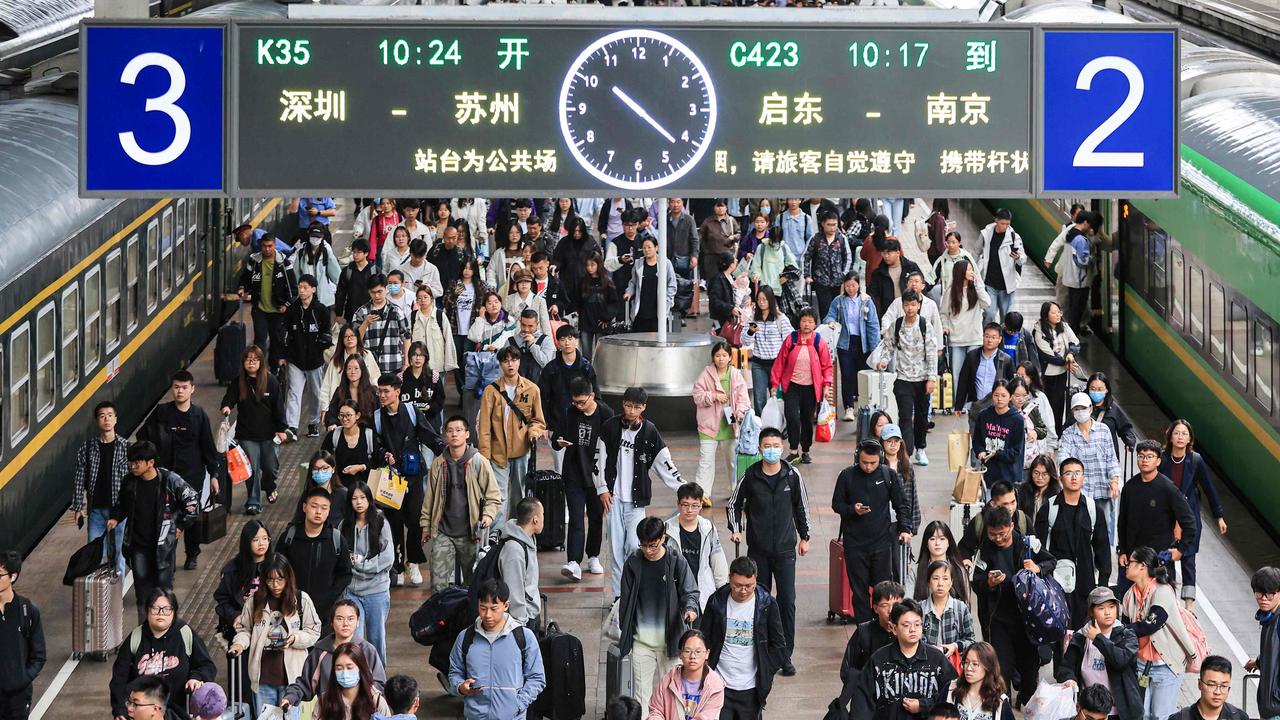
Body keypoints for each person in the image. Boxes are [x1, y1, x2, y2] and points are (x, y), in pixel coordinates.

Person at [726, 427, 811, 677]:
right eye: (767, 445)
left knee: (787, 601)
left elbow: (801, 506)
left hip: (785, 550)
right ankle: (761, 652)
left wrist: (805, 537)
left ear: (782, 448)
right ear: (760, 448)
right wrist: (736, 528)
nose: (772, 449)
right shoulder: (750, 476)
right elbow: (733, 504)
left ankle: (785, 655)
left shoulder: (791, 475)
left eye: (776, 445)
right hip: (758, 552)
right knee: (759, 601)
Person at [971, 506, 1056, 706]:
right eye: (993, 535)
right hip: (999, 620)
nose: (998, 539)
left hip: (1028, 621)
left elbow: (1051, 561)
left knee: (1030, 669)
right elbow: (977, 581)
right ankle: (1003, 708)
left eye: (1002, 534)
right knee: (1001, 671)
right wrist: (989, 583)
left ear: (1011, 526)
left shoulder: (1027, 544)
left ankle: (1027, 704)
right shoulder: (986, 548)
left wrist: (1037, 568)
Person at [109, 441, 198, 624]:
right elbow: (122, 505)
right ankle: (145, 631)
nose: (132, 466)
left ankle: (167, 629)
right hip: (138, 547)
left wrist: (180, 526)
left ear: (150, 463)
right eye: (131, 462)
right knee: (142, 594)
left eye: (137, 462)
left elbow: (193, 502)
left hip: (163, 547)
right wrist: (115, 517)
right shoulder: (129, 482)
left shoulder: (169, 481)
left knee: (164, 593)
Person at [619, 517, 700, 718]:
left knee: (673, 696)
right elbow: (626, 601)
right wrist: (625, 629)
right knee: (641, 696)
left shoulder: (676, 560)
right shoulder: (633, 563)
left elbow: (690, 592)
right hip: (641, 643)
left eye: (652, 545)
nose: (648, 550)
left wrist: (690, 609)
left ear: (663, 538)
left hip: (671, 643)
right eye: (643, 545)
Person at [138, 372, 220, 569]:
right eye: (176, 387)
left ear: (192, 389)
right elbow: (143, 436)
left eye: (184, 387)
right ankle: (169, 560)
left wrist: (214, 475)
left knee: (191, 517)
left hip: (193, 476)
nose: (180, 391)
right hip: (166, 477)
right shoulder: (162, 413)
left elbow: (208, 447)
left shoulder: (199, 416)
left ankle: (192, 553)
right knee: (167, 517)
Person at [229, 554, 323, 720]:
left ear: (288, 578)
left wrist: (295, 639)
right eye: (270, 580)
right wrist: (239, 644)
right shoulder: (254, 601)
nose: (275, 585)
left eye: (280, 579)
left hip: (293, 681)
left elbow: (314, 631)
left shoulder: (301, 600)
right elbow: (245, 630)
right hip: (263, 678)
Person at [373, 373, 444, 587]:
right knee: (393, 522)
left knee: (414, 520)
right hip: (390, 480)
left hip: (413, 476)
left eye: (386, 391)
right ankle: (396, 565)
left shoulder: (412, 412)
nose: (382, 395)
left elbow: (428, 436)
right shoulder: (377, 417)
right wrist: (384, 453)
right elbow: (374, 445)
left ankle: (413, 561)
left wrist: (445, 451)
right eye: (380, 391)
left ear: (397, 392)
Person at [833, 439, 912, 624]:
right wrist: (853, 509)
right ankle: (864, 630)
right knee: (859, 592)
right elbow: (836, 504)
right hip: (855, 544)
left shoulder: (888, 475)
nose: (868, 467)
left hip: (882, 542)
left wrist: (904, 528)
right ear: (856, 458)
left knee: (883, 591)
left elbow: (901, 504)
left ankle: (884, 626)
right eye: (864, 462)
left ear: (880, 459)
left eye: (873, 463)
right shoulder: (847, 476)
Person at [422, 416, 503, 593]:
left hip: (470, 532)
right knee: (438, 583)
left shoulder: (478, 461)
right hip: (443, 531)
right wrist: (426, 526)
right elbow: (429, 498)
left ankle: (470, 618)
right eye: (450, 431)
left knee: (473, 582)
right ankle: (440, 618)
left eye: (459, 430)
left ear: (467, 434)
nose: (454, 434)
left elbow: (494, 495)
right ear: (445, 436)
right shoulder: (438, 463)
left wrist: (488, 515)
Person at [701, 556, 787, 720]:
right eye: (738, 586)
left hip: (751, 690)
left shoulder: (767, 604)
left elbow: (779, 645)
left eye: (749, 586)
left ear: (756, 579)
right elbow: (704, 638)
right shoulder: (716, 602)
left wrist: (766, 671)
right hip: (719, 685)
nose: (743, 591)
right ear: (729, 579)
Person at [110, 589, 216, 720]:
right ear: (147, 611)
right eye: (155, 608)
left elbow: (207, 665)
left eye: (166, 609)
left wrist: (196, 677)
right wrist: (120, 710)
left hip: (180, 712)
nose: (161, 614)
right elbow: (119, 680)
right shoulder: (136, 638)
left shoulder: (184, 633)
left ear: (174, 611)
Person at [448, 579, 546, 720]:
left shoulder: (524, 637)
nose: (487, 615)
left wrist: (517, 704)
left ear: (506, 605)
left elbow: (537, 678)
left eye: (494, 608)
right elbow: (454, 672)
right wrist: (460, 687)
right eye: (483, 608)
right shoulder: (465, 638)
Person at [1033, 457, 1112, 628]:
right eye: (1068, 473)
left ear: (1084, 477)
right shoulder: (1049, 508)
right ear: (1061, 478)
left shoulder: (1092, 509)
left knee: (1083, 633)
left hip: (1085, 581)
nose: (1074, 478)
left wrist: (1103, 584)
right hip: (1055, 580)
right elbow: (1038, 546)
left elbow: (1102, 547)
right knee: (1057, 630)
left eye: (1078, 473)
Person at [1120, 546, 1197, 720]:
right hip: (1141, 665)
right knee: (1143, 715)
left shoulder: (1162, 591)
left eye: (1130, 562)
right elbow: (1126, 627)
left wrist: (1120, 630)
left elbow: (1151, 624)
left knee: (1161, 716)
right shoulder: (1129, 595)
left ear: (1142, 566)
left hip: (1166, 665)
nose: (1126, 565)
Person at [1117, 441, 1198, 596]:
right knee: (1128, 606)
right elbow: (1123, 522)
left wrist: (1180, 550)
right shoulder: (1129, 487)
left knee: (1160, 607)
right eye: (1141, 456)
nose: (1144, 460)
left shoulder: (1168, 488)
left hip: (1159, 561)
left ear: (1158, 461)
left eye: (1149, 456)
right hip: (1133, 561)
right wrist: (1123, 550)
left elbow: (1189, 522)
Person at [854, 599, 957, 720]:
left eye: (917, 624)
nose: (913, 629)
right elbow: (862, 701)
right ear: (893, 628)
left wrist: (924, 705)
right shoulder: (879, 660)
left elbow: (953, 697)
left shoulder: (937, 659)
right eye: (906, 625)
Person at [1160, 420, 1225, 610]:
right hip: (1167, 518)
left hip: (1189, 519)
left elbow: (1209, 488)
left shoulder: (1195, 460)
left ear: (1190, 438)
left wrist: (1218, 516)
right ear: (1170, 436)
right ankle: (1169, 602)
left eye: (1184, 434)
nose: (1180, 437)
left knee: (1188, 560)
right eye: (1177, 433)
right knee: (1166, 558)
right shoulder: (1162, 459)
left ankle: (1189, 606)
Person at [477, 346, 547, 524]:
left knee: (519, 496)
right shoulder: (490, 391)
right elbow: (484, 427)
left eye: (514, 360)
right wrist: (485, 457)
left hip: (522, 451)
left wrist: (533, 432)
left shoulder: (532, 389)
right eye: (506, 360)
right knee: (498, 497)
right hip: (497, 451)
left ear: (519, 362)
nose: (510, 364)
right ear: (500, 364)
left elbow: (538, 421)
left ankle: (516, 533)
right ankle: (498, 536)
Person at [281, 599, 387, 715]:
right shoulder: (320, 651)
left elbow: (379, 685)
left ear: (358, 622)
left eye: (350, 619)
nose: (345, 623)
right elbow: (305, 683)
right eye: (339, 619)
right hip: (329, 713)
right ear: (331, 622)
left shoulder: (367, 651)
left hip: (361, 713)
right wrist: (290, 697)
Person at [874, 291, 939, 465]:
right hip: (903, 378)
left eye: (913, 305)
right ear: (902, 306)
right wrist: (883, 361)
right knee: (904, 416)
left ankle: (921, 448)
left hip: (923, 378)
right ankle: (907, 452)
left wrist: (932, 378)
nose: (910, 308)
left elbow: (932, 353)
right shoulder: (896, 325)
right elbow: (888, 346)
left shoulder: (925, 326)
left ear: (918, 306)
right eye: (907, 305)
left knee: (921, 417)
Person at [220, 346, 287, 513]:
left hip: (269, 435)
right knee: (252, 469)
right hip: (247, 434)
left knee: (271, 468)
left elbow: (279, 406)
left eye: (255, 359)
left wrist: (281, 429)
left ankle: (270, 486)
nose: (251, 362)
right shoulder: (238, 382)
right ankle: (253, 501)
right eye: (248, 359)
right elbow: (229, 398)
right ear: (243, 362)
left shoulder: (270, 380)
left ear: (261, 362)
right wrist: (227, 407)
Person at [1057, 586, 1140, 720]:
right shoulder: (1081, 636)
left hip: (1119, 712)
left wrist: (1098, 638)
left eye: (1111, 607)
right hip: (1090, 711)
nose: (1107, 612)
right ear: (1091, 611)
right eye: (1101, 608)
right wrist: (1069, 679)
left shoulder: (1126, 636)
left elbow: (1121, 661)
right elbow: (1066, 667)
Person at [277, 487, 353, 622]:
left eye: (324, 508)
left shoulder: (336, 539)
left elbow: (345, 574)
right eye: (314, 506)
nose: (318, 512)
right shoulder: (289, 538)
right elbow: (277, 569)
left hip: (325, 614)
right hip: (291, 611)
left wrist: (329, 598)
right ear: (304, 507)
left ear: (329, 510)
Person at [770, 307, 835, 464]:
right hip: (792, 386)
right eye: (804, 321)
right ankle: (793, 450)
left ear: (814, 324)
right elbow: (780, 362)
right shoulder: (791, 339)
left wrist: (826, 385)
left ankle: (805, 449)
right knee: (792, 417)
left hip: (811, 388)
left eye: (810, 321)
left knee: (807, 419)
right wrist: (774, 383)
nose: (807, 324)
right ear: (799, 322)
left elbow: (827, 366)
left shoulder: (819, 341)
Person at [72, 400, 130, 578]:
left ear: (116, 419)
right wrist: (78, 507)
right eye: (102, 416)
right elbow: (79, 478)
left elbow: (131, 481)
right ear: (97, 421)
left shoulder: (126, 447)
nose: (106, 419)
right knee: (95, 554)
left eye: (110, 416)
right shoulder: (87, 448)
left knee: (118, 553)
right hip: (96, 510)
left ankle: (116, 597)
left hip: (119, 512)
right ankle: (101, 596)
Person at [336, 483, 393, 664]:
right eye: (354, 498)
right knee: (355, 640)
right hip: (352, 591)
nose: (359, 502)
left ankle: (379, 682)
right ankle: (358, 682)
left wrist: (363, 564)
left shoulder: (381, 522)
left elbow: (388, 558)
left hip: (377, 590)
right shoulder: (344, 525)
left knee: (377, 640)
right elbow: (340, 556)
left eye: (363, 498)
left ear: (369, 499)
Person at [1059, 392, 1121, 544]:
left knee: (1103, 530)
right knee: (1081, 531)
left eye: (1083, 408)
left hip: (1102, 491)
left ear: (1090, 409)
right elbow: (1063, 459)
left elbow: (1111, 459)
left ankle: (1102, 565)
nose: (1080, 412)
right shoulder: (1068, 434)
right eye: (1076, 409)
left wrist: (1114, 480)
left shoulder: (1104, 430)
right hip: (1080, 493)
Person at [539, 325, 600, 473]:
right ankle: (563, 495)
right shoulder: (551, 369)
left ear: (577, 341)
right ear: (557, 343)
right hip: (557, 423)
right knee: (560, 468)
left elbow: (596, 396)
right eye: (562, 339)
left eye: (570, 338)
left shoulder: (586, 367)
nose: (567, 342)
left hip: (583, 424)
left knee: (584, 465)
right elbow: (543, 397)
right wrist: (544, 423)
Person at [693, 342, 750, 500]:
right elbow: (697, 395)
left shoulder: (735, 374)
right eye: (717, 356)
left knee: (732, 461)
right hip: (708, 425)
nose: (721, 359)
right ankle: (702, 495)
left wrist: (739, 412)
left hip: (729, 424)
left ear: (730, 357)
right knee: (706, 461)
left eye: (724, 355)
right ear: (713, 357)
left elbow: (743, 398)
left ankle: (736, 491)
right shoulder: (706, 373)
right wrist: (713, 396)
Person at [279, 275, 332, 441]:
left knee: (315, 394)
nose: (301, 291)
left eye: (305, 287)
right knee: (293, 392)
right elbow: (284, 333)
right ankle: (292, 427)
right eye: (300, 287)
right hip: (295, 360)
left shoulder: (322, 310)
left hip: (315, 361)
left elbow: (327, 334)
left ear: (313, 290)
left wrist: (321, 345)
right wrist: (283, 355)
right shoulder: (292, 310)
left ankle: (313, 423)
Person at [824, 272, 880, 421]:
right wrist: (830, 322)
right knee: (847, 376)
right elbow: (829, 315)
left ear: (858, 285)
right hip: (845, 343)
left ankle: (864, 407)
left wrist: (875, 348)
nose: (850, 289)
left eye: (853, 285)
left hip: (863, 343)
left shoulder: (866, 301)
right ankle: (849, 407)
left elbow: (873, 325)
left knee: (863, 375)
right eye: (847, 286)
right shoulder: (839, 301)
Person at [665, 484, 729, 612]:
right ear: (678, 504)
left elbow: (717, 558)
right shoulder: (667, 529)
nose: (689, 510)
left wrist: (722, 590)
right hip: (676, 590)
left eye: (695, 505)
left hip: (703, 590)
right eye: (685, 504)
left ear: (701, 505)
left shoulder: (708, 528)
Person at [236, 233, 297, 368]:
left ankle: (274, 369)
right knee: (259, 341)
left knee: (276, 341)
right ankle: (260, 369)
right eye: (264, 246)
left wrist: (286, 305)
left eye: (270, 246)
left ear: (275, 246)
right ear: (260, 246)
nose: (267, 249)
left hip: (278, 311)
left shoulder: (284, 263)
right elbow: (245, 278)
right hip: (260, 309)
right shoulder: (254, 261)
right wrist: (242, 288)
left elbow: (293, 288)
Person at [841, 581, 906, 694]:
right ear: (875, 608)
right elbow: (847, 670)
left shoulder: (908, 631)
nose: (890, 610)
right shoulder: (864, 632)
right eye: (885, 605)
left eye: (896, 605)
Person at [0, 550, 43, 720]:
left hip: (18, 695)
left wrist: (22, 678)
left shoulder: (27, 611)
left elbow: (39, 655)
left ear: (13, 576)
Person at [648, 629, 726, 720]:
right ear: (680, 654)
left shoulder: (715, 686)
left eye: (698, 652)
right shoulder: (668, 680)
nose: (692, 656)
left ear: (707, 654)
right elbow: (656, 711)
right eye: (687, 651)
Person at [494, 496, 546, 628]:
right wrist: (522, 625)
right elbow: (514, 591)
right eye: (543, 515)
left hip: (531, 615)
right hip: (523, 621)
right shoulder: (514, 550)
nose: (543, 518)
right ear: (535, 520)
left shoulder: (527, 539)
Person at [214, 521, 270, 642]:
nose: (261, 543)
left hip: (269, 630)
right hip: (240, 629)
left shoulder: (275, 566)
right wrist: (234, 616)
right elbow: (223, 600)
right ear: (246, 542)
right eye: (255, 540)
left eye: (265, 538)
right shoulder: (232, 570)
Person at [743, 287, 794, 415]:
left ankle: (780, 428)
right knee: (759, 399)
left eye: (764, 299)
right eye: (759, 299)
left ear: (770, 300)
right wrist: (750, 332)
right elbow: (744, 341)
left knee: (778, 398)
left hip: (777, 365)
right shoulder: (753, 318)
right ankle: (762, 429)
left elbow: (790, 341)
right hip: (758, 364)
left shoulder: (780, 319)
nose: (761, 302)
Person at [1032, 301, 1081, 432]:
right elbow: (1046, 354)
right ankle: (1046, 432)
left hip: (1061, 373)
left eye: (1059, 312)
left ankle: (1057, 433)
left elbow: (1075, 342)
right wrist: (1066, 362)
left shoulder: (1064, 326)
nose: (1057, 315)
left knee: (1059, 405)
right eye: (1053, 312)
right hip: (1046, 375)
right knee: (1047, 405)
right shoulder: (1039, 330)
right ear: (1046, 315)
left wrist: (1071, 353)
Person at [352, 274, 411, 376]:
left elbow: (406, 337)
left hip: (393, 365)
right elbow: (354, 339)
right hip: (369, 367)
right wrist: (365, 323)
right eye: (373, 293)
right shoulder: (361, 312)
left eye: (380, 291)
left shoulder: (397, 311)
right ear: (369, 292)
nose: (377, 296)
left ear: (386, 289)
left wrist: (406, 362)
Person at [312, 642, 389, 720]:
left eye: (349, 667)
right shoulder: (324, 701)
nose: (344, 673)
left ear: (360, 668)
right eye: (339, 668)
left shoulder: (376, 701)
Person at [974, 209, 1024, 323]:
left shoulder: (1014, 237)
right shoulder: (986, 234)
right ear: (996, 220)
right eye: (1002, 224)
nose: (1005, 227)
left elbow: (1023, 258)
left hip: (1007, 286)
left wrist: (1018, 258)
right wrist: (973, 270)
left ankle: (1002, 339)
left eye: (1008, 224)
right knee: (989, 314)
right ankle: (986, 338)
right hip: (989, 283)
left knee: (1005, 318)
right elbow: (976, 252)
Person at [921, 561, 975, 668]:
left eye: (945, 578)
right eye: (935, 578)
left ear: (951, 582)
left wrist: (954, 646)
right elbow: (915, 641)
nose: (940, 583)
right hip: (926, 667)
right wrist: (932, 650)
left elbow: (971, 640)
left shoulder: (960, 608)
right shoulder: (920, 609)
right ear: (928, 582)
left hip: (954, 667)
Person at [971, 381, 1025, 487]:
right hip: (988, 473)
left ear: (1010, 397)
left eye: (1003, 395)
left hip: (1009, 476)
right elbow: (976, 440)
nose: (999, 399)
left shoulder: (1017, 419)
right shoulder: (983, 415)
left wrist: (996, 454)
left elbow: (1016, 451)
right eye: (996, 395)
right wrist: (980, 451)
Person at [803, 211, 853, 318]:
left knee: (837, 310)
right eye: (829, 225)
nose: (832, 228)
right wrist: (807, 275)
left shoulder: (841, 238)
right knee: (825, 310)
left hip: (838, 281)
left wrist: (844, 274)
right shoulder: (816, 239)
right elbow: (807, 257)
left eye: (834, 224)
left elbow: (848, 257)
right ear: (823, 224)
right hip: (821, 281)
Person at [321, 400, 381, 489]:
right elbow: (323, 459)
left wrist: (362, 467)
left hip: (366, 490)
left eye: (348, 415)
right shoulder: (333, 436)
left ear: (357, 415)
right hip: (340, 489)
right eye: (341, 415)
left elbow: (378, 460)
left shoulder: (369, 435)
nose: (344, 419)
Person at [955, 324, 1015, 414]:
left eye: (993, 337)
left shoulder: (1006, 359)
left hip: (997, 407)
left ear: (999, 339)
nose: (989, 340)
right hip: (976, 405)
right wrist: (959, 406)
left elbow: (1011, 384)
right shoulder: (972, 356)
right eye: (987, 336)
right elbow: (963, 381)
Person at [624, 236, 679, 333]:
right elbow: (633, 283)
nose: (646, 250)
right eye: (644, 247)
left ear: (656, 248)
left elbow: (672, 284)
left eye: (649, 247)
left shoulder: (665, 263)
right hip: (641, 310)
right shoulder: (638, 264)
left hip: (658, 310)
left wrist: (667, 300)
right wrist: (628, 293)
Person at [949, 642, 1014, 720]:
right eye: (966, 662)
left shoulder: (999, 701)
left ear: (988, 666)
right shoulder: (951, 690)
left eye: (975, 664)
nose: (968, 668)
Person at [1247, 567, 1280, 718]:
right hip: (1270, 705)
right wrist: (1259, 661)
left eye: (1269, 594)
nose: (1263, 598)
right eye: (1259, 593)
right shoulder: (1269, 618)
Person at [1173, 656, 1250, 720]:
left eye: (1223, 686)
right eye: (1211, 685)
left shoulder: (1240, 717)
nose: (1217, 692)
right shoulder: (1179, 718)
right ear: (1200, 684)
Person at [1085, 372, 1138, 461]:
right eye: (1093, 389)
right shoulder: (1081, 407)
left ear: (1106, 390)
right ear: (1088, 389)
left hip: (1108, 458)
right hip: (1084, 457)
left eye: (1100, 389)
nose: (1096, 392)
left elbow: (1125, 428)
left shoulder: (1113, 409)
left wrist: (1130, 442)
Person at [400, 341, 446, 439]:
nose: (418, 358)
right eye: (415, 355)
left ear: (426, 357)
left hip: (429, 424)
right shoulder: (401, 378)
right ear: (410, 357)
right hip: (407, 426)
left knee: (428, 454)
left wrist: (430, 408)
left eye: (421, 355)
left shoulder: (434, 376)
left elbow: (440, 400)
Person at [867, 240, 923, 321]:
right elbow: (871, 294)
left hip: (911, 310)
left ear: (898, 253)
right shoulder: (878, 273)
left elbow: (921, 285)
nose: (886, 256)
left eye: (889, 253)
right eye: (883, 253)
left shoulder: (910, 267)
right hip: (889, 313)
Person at [410, 287, 459, 377]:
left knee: (438, 390)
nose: (422, 300)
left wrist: (449, 363)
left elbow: (448, 339)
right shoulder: (412, 316)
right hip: (418, 365)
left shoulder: (440, 315)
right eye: (419, 298)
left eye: (425, 297)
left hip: (437, 364)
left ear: (431, 299)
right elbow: (408, 340)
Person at [915, 522, 969, 603]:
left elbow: (966, 602)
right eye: (932, 539)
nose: (937, 543)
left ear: (948, 543)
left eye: (942, 539)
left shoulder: (959, 569)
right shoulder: (916, 570)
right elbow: (908, 602)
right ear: (926, 543)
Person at [293, 224, 341, 307]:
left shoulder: (326, 252)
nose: (315, 239)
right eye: (313, 236)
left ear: (322, 238)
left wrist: (342, 291)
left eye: (318, 237)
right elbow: (296, 275)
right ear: (309, 236)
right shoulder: (301, 253)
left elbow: (336, 274)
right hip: (305, 298)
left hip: (323, 299)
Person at [333, 239, 375, 325]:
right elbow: (341, 293)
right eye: (354, 252)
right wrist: (338, 313)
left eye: (358, 252)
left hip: (370, 315)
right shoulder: (347, 271)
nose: (355, 255)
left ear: (366, 253)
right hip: (351, 314)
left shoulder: (374, 271)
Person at [508, 309, 555, 384]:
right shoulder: (511, 341)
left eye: (530, 326)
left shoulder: (546, 340)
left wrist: (532, 346)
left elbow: (547, 364)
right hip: (515, 386)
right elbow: (503, 365)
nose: (526, 329)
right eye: (523, 325)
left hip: (540, 387)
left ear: (537, 324)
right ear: (520, 323)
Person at [931, 231, 976, 301]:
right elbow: (932, 277)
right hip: (948, 298)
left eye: (953, 242)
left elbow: (976, 274)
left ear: (959, 243)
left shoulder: (966, 257)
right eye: (948, 242)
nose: (950, 245)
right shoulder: (942, 260)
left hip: (965, 296)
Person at [1017, 455, 1060, 523]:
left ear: (1051, 475)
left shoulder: (1057, 494)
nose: (1039, 477)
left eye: (1044, 474)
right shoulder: (1023, 490)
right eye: (1036, 473)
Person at [707, 253, 740, 331]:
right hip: (719, 319)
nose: (737, 260)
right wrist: (730, 308)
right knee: (719, 337)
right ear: (731, 265)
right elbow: (714, 301)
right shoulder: (718, 279)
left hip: (728, 317)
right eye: (734, 260)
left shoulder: (730, 277)